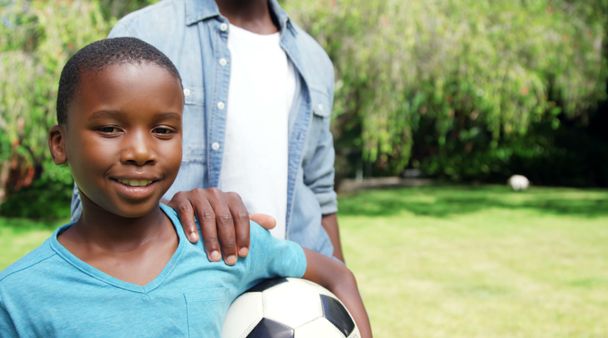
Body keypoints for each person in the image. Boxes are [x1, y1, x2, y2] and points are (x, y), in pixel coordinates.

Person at [0, 37, 371, 337]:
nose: (141, 152)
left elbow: (337, 274)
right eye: (110, 129)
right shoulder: (18, 296)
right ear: (59, 143)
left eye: (163, 130)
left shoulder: (222, 244)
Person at [70, 0, 345, 265]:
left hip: (293, 290)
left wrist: (340, 297)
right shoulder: (146, 33)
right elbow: (92, 202)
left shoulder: (313, 59)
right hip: (183, 289)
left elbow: (321, 194)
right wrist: (173, 214)